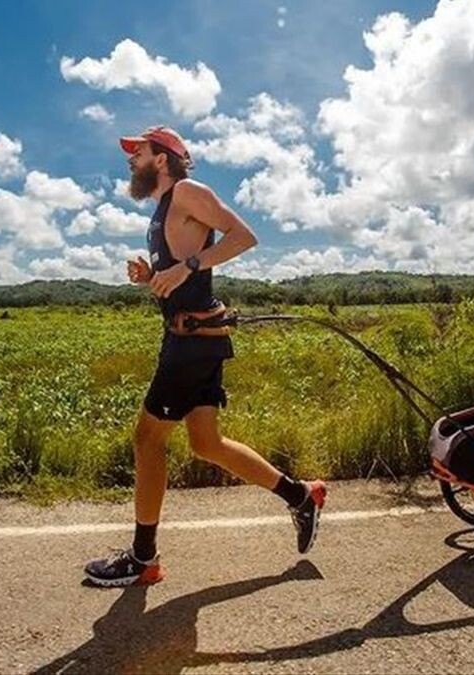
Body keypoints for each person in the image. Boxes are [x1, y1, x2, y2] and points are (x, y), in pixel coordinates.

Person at [83, 126, 327, 587]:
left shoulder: (187, 192)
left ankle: (143, 559)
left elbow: (244, 236)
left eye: (139, 151)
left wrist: (187, 266)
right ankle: (301, 496)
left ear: (162, 158)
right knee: (206, 444)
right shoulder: (163, 209)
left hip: (191, 343)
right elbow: (182, 275)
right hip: (193, 337)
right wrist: (153, 277)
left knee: (147, 440)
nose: (131, 159)